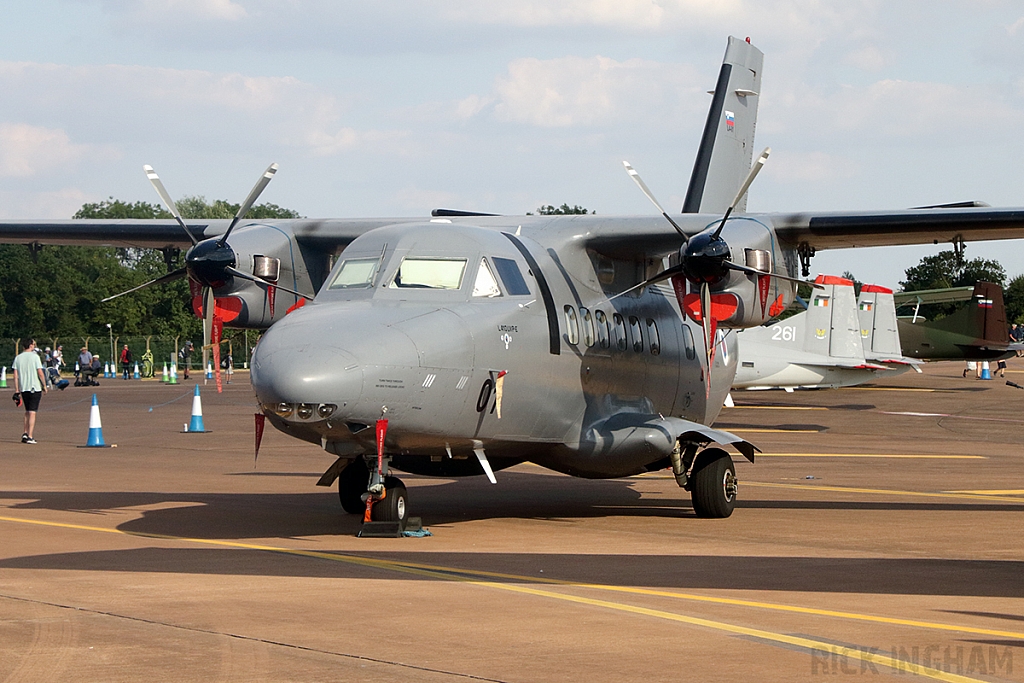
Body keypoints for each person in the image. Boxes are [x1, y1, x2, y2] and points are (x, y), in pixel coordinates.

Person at [12, 338, 47, 444]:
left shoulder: (18, 358)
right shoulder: (35, 357)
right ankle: (30, 436)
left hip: (24, 388)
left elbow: (15, 375)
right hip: (34, 387)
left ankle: (25, 432)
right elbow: (40, 372)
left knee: (27, 411)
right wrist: (44, 385)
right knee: (32, 412)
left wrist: (17, 389)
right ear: (31, 345)